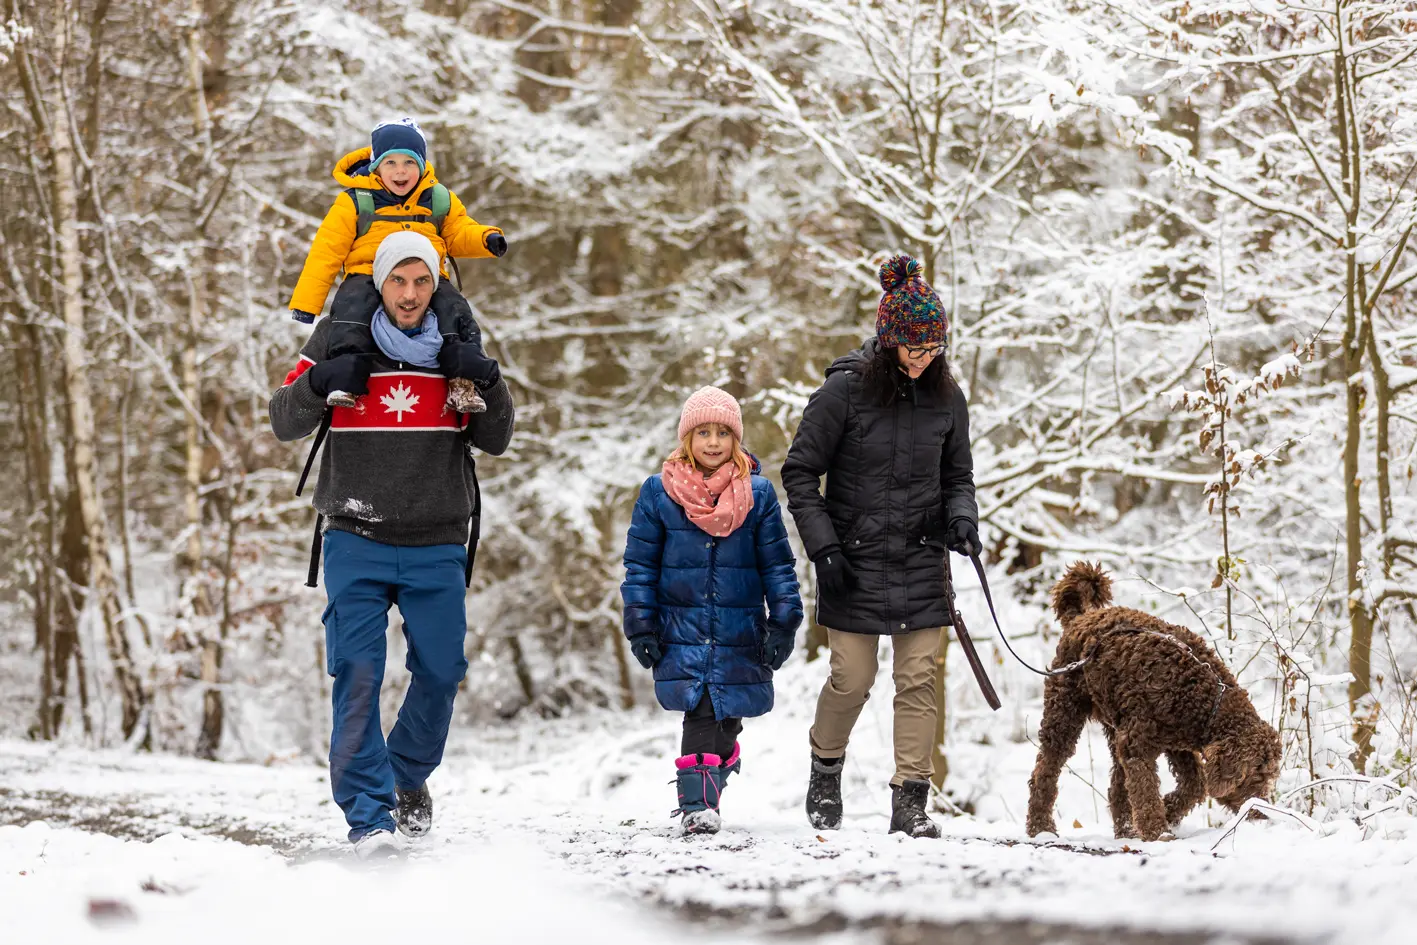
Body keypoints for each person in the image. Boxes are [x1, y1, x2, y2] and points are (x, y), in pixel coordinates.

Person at [269, 232, 514, 860]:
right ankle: (368, 818)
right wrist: (319, 380)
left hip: (437, 538)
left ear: (436, 285)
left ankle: (405, 775)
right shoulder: (339, 335)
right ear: (380, 282)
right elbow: (282, 419)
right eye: (397, 281)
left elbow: (496, 437)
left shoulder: (458, 344)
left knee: (440, 671)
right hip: (355, 533)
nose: (409, 295)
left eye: (421, 282)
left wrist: (489, 380)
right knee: (356, 672)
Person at [781, 255, 980, 839]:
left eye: (934, 349)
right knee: (853, 677)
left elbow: (958, 477)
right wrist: (825, 550)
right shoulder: (841, 393)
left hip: (921, 557)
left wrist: (961, 518)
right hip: (852, 560)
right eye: (913, 350)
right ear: (889, 341)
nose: (924, 360)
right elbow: (799, 474)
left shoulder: (949, 399)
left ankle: (910, 800)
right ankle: (825, 766)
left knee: (918, 678)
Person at [621, 387, 804, 836]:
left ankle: (720, 769)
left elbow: (777, 564)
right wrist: (640, 625)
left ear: (736, 439)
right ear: (687, 438)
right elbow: (639, 565)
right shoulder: (658, 493)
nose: (714, 442)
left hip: (740, 629)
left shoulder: (758, 495)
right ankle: (697, 807)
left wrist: (785, 622)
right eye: (703, 432)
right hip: (680, 628)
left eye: (723, 432)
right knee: (700, 712)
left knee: (727, 717)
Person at [287, 117, 508, 413]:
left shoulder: (438, 199)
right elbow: (326, 252)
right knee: (351, 311)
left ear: (422, 165)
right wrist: (306, 304)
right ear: (376, 165)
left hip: (425, 274)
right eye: (390, 163)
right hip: (366, 273)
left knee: (454, 310)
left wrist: (485, 238)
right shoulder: (355, 201)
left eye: (409, 162)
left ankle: (462, 380)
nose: (401, 171)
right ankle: (347, 376)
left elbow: (457, 231)